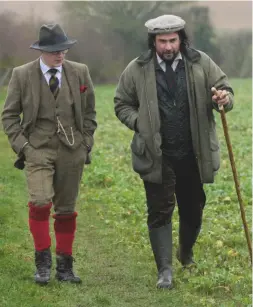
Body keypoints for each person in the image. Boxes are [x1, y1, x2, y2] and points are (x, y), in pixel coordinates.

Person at [114, 15, 234, 289]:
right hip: (156, 154)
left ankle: (186, 252)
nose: (168, 47)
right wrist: (139, 123)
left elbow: (225, 89)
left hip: (193, 153)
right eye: (162, 41)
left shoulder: (200, 62)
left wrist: (223, 99)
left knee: (193, 208)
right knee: (160, 210)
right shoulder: (137, 69)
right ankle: (164, 270)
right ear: (153, 41)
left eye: (172, 40)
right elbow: (122, 104)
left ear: (181, 39)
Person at [1, 24, 97, 284]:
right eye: (55, 51)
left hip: (72, 151)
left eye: (63, 50)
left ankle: (65, 268)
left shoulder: (80, 72)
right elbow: (9, 116)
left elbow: (89, 113)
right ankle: (42, 264)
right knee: (41, 201)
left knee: (66, 209)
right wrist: (24, 147)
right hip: (37, 150)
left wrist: (86, 143)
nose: (60, 55)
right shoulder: (22, 75)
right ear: (42, 50)